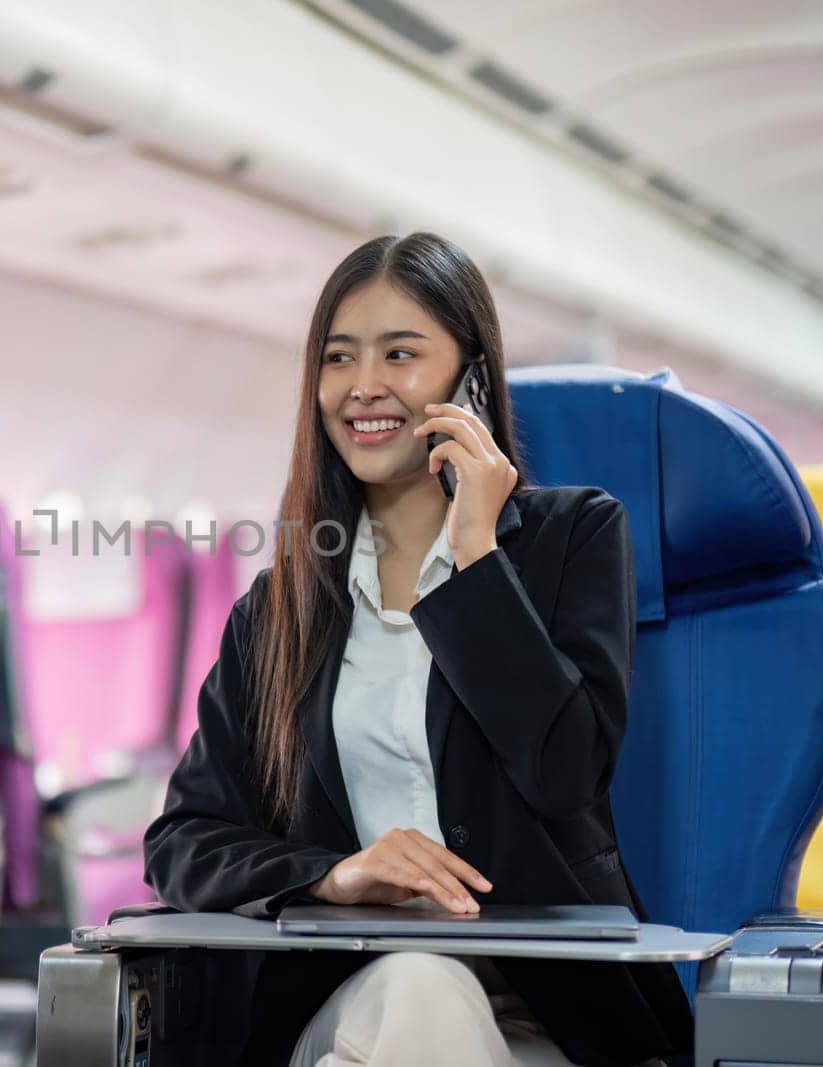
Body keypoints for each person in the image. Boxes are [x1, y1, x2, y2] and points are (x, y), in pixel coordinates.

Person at [143, 232, 693, 1066]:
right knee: (422, 985)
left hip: (553, 1016)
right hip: (357, 997)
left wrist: (478, 557)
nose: (364, 388)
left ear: (470, 377)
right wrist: (335, 874)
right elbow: (182, 839)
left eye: (401, 354)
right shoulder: (282, 606)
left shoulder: (572, 538)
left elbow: (564, 773)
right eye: (338, 359)